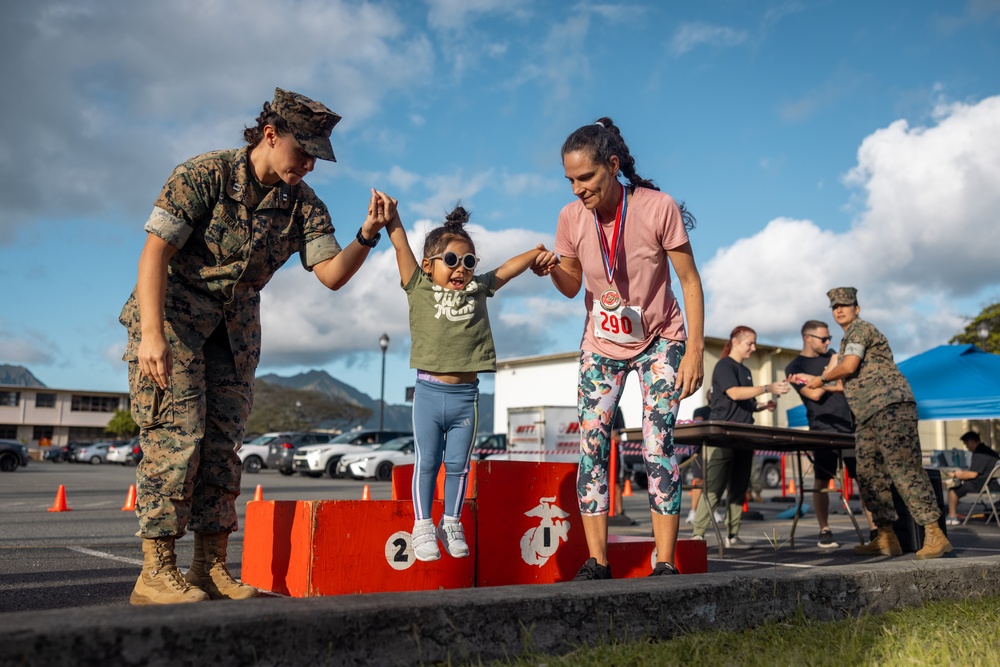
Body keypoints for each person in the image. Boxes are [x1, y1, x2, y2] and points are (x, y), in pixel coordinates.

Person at [120, 88, 397, 605]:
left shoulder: (303, 205)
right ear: (271, 135)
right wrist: (152, 336)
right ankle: (154, 572)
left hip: (235, 333)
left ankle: (209, 567)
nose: (310, 164)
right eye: (303, 151)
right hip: (174, 320)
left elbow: (332, 275)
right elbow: (154, 254)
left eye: (318, 156)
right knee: (177, 439)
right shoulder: (206, 175)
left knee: (222, 449)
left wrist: (368, 232)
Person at [533, 117, 705, 579]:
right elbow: (571, 287)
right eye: (569, 180)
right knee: (591, 442)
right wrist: (551, 269)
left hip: (660, 340)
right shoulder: (571, 218)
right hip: (602, 344)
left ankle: (665, 561)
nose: (577, 189)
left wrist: (694, 352)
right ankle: (597, 561)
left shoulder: (656, 207)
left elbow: (689, 281)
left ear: (612, 167)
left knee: (656, 442)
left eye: (585, 178)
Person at [385, 205, 546, 562]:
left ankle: (451, 522)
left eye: (469, 261)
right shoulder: (418, 285)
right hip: (428, 393)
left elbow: (506, 270)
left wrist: (535, 252)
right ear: (429, 264)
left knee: (459, 464)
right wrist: (391, 217)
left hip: (465, 397)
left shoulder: (478, 288)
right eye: (452, 259)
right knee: (428, 461)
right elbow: (400, 246)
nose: (461, 269)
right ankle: (423, 525)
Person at [805, 287, 953, 559]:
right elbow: (851, 379)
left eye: (845, 305)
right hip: (867, 414)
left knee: (903, 468)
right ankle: (886, 537)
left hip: (891, 408)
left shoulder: (861, 329)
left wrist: (821, 378)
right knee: (869, 474)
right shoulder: (848, 337)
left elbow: (848, 367)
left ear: (857, 309)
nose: (839, 310)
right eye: (835, 306)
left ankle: (935, 533)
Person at [691, 327, 790, 548]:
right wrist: (767, 387)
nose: (753, 348)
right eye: (750, 343)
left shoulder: (745, 371)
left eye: (754, 344)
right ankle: (698, 535)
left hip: (744, 435)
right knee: (714, 487)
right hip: (723, 436)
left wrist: (763, 405)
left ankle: (732, 535)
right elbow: (734, 393)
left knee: (739, 487)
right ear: (735, 341)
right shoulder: (724, 365)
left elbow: (744, 401)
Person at [786, 320, 864, 549]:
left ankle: (877, 529)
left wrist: (823, 381)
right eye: (823, 339)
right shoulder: (794, 366)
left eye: (829, 338)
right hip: (822, 430)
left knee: (865, 479)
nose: (828, 342)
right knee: (821, 480)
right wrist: (831, 370)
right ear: (807, 338)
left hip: (849, 427)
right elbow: (814, 395)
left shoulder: (836, 356)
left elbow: (845, 385)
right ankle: (825, 528)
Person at [943, 431, 1000, 525]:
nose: (967, 447)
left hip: (986, 484)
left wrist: (957, 475)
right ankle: (952, 514)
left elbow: (972, 475)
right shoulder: (988, 451)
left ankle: (952, 517)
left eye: (966, 444)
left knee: (953, 489)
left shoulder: (980, 453)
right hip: (992, 482)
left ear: (971, 442)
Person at [684, 390, 711, 525]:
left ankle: (712, 511)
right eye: (711, 392)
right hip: (700, 450)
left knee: (713, 482)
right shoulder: (700, 410)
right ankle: (693, 511)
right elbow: (698, 424)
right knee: (698, 480)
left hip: (715, 450)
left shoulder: (722, 411)